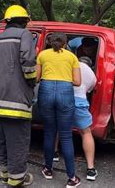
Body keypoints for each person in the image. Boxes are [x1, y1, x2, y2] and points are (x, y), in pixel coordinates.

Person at [0, 5, 36, 187]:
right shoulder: (24, 35)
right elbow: (29, 62)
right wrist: (31, 82)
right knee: (18, 142)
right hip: (18, 101)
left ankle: (5, 174)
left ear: (6, 21)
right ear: (25, 21)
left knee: (2, 140)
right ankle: (16, 180)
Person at [37, 32, 82, 188]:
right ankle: (71, 178)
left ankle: (48, 169)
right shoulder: (72, 57)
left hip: (46, 90)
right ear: (65, 43)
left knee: (49, 132)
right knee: (66, 136)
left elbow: (36, 78)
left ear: (49, 42)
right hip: (65, 92)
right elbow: (77, 81)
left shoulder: (42, 55)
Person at [73, 56, 98, 181]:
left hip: (64, 100)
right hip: (80, 102)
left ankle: (54, 155)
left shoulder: (71, 64)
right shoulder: (92, 74)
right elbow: (89, 91)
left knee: (59, 128)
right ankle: (90, 169)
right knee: (86, 132)